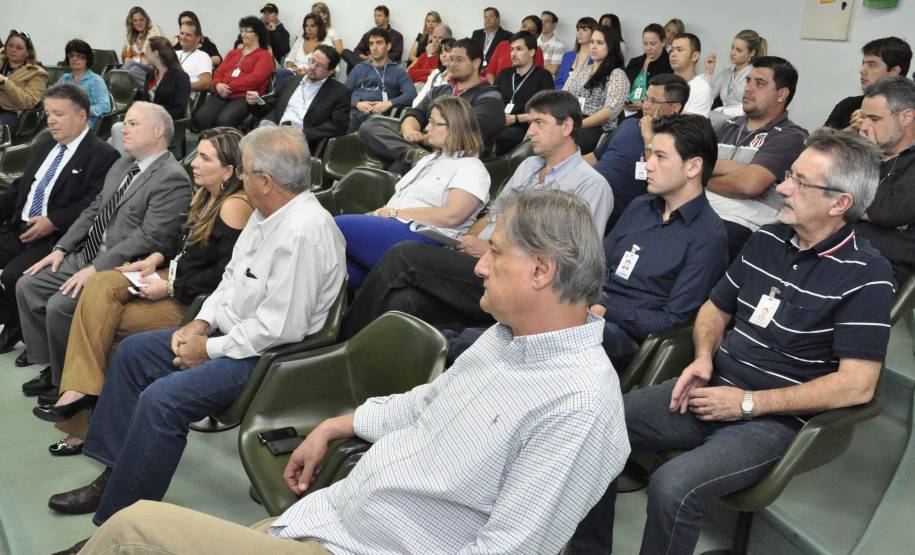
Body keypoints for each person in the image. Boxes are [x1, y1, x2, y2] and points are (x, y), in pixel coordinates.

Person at [74, 189, 630, 555]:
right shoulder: (503, 338)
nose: (478, 265)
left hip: (360, 546)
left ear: (540, 271)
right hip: (331, 518)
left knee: (133, 530)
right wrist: (335, 425)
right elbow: (423, 404)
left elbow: (509, 549)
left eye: (496, 254)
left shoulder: (576, 406)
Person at [576, 128, 895, 555]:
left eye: (800, 183)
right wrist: (704, 358)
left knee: (673, 486)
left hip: (774, 418)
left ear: (839, 203)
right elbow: (715, 308)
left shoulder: (867, 276)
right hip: (713, 385)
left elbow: (858, 384)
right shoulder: (767, 239)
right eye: (789, 174)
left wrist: (747, 403)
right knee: (596, 427)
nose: (782, 187)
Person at [48, 126, 347, 555]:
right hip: (231, 336)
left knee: (161, 401)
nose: (239, 180)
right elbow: (229, 282)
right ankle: (115, 475)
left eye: (243, 172)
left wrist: (208, 349)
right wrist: (201, 325)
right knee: (133, 353)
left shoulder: (305, 232)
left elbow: (280, 330)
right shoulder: (267, 215)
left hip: (268, 359)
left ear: (265, 180)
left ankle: (119, 529)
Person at [448, 114, 728, 374]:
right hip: (585, 306)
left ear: (693, 166)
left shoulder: (708, 236)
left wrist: (606, 309)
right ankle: (460, 344)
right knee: (518, 290)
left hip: (622, 334)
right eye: (649, 154)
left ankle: (458, 347)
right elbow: (594, 264)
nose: (648, 165)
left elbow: (674, 322)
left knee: (480, 346)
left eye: (660, 157)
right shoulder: (641, 207)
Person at [34, 128, 253, 456]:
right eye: (198, 154)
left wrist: (168, 285)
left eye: (205, 158)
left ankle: (79, 416)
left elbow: (223, 278)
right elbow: (176, 242)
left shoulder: (234, 206)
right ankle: (82, 393)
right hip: (172, 276)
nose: (194, 162)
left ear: (228, 171)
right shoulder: (206, 195)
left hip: (193, 301)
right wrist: (153, 259)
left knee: (102, 323)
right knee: (100, 283)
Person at [341, 90, 613, 338]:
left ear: (566, 127)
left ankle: (342, 344)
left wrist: (491, 248)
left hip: (515, 277)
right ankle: (362, 357)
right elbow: (493, 215)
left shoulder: (590, 184)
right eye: (530, 123)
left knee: (404, 254)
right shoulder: (529, 165)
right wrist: (467, 241)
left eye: (539, 123)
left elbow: (573, 260)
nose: (529, 132)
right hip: (477, 260)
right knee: (401, 301)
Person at [16, 102, 191, 400]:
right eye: (126, 122)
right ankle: (54, 365)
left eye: (133, 124)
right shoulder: (123, 163)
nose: (124, 129)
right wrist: (61, 247)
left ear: (159, 130)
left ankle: (65, 381)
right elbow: (94, 209)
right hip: (87, 253)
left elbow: (151, 235)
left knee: (60, 306)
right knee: (28, 286)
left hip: (121, 265)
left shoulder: (172, 178)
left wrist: (97, 268)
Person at [0, 85, 119, 358]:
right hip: (19, 227)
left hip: (55, 238)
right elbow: (21, 188)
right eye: (47, 114)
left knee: (13, 275)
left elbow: (93, 205)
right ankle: (14, 318)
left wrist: (52, 222)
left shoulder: (102, 155)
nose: (50, 120)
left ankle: (17, 325)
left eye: (58, 114)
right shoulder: (45, 146)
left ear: (81, 116)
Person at [336, 96, 489, 291]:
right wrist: (380, 214)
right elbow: (400, 200)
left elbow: (452, 216)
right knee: (341, 269)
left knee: (335, 227)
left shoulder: (471, 168)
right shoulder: (430, 160)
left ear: (455, 127)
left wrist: (393, 214)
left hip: (424, 236)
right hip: (398, 225)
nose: (427, 128)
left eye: (434, 123)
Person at [706, 56, 807, 260]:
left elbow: (749, 186)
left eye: (759, 83)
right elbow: (688, 167)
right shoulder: (725, 126)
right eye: (748, 81)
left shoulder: (789, 135)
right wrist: (738, 168)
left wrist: (702, 177)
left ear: (782, 94)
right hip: (704, 210)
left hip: (743, 224)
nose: (748, 88)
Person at [358, 38, 503, 173]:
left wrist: (423, 138)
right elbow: (416, 114)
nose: (452, 64)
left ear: (476, 63)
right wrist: (409, 131)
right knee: (369, 126)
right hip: (426, 150)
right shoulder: (440, 90)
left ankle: (412, 155)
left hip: (460, 160)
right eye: (451, 59)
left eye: (459, 60)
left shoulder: (489, 96)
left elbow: (465, 134)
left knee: (400, 165)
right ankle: (413, 154)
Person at [586, 73, 689, 227]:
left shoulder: (677, 140)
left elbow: (662, 181)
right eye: (646, 98)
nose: (646, 105)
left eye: (654, 101)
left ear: (675, 107)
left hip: (618, 212)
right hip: (589, 191)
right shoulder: (629, 124)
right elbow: (594, 158)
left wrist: (649, 138)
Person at [856, 76, 915, 285]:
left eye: (875, 119)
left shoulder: (866, 152)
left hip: (880, 267)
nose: (864, 127)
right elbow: (826, 195)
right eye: (863, 117)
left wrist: (869, 156)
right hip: (832, 249)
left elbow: (885, 211)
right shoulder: (859, 147)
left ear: (906, 117)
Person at [248, 45, 350, 153]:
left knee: (262, 152)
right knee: (246, 145)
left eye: (319, 65)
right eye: (312, 60)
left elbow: (339, 126)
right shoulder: (290, 81)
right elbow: (270, 108)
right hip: (274, 129)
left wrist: (304, 133)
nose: (312, 67)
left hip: (301, 141)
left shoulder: (339, 92)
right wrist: (255, 102)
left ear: (330, 72)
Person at [109, 37, 191, 154]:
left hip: (165, 125)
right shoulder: (151, 74)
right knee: (111, 141)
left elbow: (179, 110)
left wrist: (155, 115)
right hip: (147, 121)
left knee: (117, 130)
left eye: (147, 49)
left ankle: (131, 167)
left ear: (155, 53)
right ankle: (131, 167)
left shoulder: (180, 77)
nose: (145, 52)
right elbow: (145, 102)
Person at [193, 16, 274, 131]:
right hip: (222, 93)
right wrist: (218, 85)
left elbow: (255, 79)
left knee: (224, 121)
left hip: (245, 97)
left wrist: (229, 87)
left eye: (247, 31)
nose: (243, 34)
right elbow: (218, 73)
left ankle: (225, 148)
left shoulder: (264, 56)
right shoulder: (233, 53)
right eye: (242, 31)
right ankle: (209, 146)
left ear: (258, 34)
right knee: (201, 118)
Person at [562, 25, 629, 153]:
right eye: (592, 42)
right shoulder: (580, 70)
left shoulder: (617, 74)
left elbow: (609, 112)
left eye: (599, 43)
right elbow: (562, 98)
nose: (593, 46)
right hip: (571, 122)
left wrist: (579, 125)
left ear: (611, 46)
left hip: (596, 128)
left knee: (561, 145)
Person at [824, 37, 911, 133]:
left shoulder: (908, 113)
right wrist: (851, 130)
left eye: (872, 65)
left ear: (894, 71)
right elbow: (816, 145)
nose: (861, 71)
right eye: (863, 63)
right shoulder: (848, 105)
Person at [493, 31, 555, 155]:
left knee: (503, 136)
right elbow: (493, 100)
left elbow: (547, 111)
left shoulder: (543, 76)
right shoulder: (505, 73)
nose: (513, 54)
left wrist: (515, 119)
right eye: (511, 50)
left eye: (519, 49)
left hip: (524, 126)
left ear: (532, 52)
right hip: (499, 122)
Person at [344, 27, 415, 132]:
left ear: (388, 46)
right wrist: (357, 103)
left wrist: (389, 103)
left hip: (377, 117)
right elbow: (343, 93)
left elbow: (411, 94)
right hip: (353, 111)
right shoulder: (359, 68)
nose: (374, 47)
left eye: (379, 43)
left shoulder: (398, 72)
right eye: (371, 44)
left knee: (369, 126)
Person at [703, 29, 766, 125]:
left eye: (738, 50)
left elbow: (758, 107)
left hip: (742, 123)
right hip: (720, 119)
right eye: (732, 48)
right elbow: (707, 97)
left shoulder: (756, 75)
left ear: (751, 53)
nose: (732, 53)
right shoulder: (725, 73)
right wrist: (708, 72)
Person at [56, 40, 111, 128]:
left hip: (85, 125)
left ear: (87, 58)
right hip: (62, 121)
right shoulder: (64, 79)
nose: (74, 59)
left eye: (79, 56)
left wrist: (80, 111)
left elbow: (105, 106)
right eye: (71, 55)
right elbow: (53, 99)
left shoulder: (96, 80)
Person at [0, 30, 48, 132]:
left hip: (12, 113)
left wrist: (5, 82)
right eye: (10, 46)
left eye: (19, 48)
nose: (13, 50)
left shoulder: (37, 73)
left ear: (28, 52)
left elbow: (28, 102)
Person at [624, 23, 673, 115]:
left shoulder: (669, 65)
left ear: (663, 42)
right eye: (645, 43)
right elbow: (623, 86)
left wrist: (644, 104)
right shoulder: (634, 62)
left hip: (651, 113)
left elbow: (666, 95)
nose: (648, 48)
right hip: (627, 110)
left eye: (653, 44)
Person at [484, 15, 546, 84]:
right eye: (524, 26)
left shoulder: (537, 51)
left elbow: (537, 78)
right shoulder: (503, 45)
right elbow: (490, 72)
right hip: (498, 89)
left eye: (531, 30)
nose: (525, 31)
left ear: (536, 35)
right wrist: (495, 89)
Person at [282, 13, 334, 84]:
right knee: (281, 72)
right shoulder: (300, 40)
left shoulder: (327, 43)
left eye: (312, 26)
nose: (309, 29)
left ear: (319, 27)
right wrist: (294, 68)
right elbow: (289, 59)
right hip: (292, 74)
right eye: (306, 26)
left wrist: (310, 73)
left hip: (313, 79)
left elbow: (333, 69)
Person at [668, 33, 712, 116]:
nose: (673, 54)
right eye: (672, 50)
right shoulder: (663, 83)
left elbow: (691, 126)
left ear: (694, 56)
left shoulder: (701, 88)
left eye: (679, 50)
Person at [554, 17, 596, 91]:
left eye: (584, 30)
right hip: (564, 98)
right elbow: (558, 81)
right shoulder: (567, 56)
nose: (579, 33)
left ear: (594, 33)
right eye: (578, 30)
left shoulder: (596, 58)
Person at [412, 37, 454, 107]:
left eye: (447, 51)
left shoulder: (459, 77)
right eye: (440, 52)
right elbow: (423, 94)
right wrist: (416, 112)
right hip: (423, 111)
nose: (443, 55)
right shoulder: (436, 73)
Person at [175, 20, 214, 95]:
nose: (183, 37)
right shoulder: (174, 53)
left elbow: (206, 83)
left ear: (198, 38)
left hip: (184, 99)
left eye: (188, 35)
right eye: (182, 33)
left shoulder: (202, 56)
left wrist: (182, 86)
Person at [538, 10, 564, 76]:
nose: (543, 24)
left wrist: (534, 62)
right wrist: (546, 63)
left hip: (546, 82)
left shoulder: (559, 46)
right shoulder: (533, 42)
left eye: (546, 21)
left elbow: (552, 70)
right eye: (541, 21)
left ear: (554, 25)